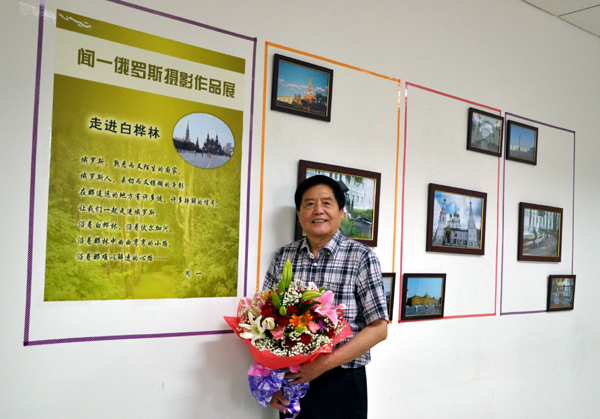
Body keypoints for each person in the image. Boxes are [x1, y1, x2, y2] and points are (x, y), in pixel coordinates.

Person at [263, 175, 389, 419]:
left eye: (327, 203)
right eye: (309, 204)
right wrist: (272, 381)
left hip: (342, 381)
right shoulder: (283, 256)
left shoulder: (361, 257)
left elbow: (379, 328)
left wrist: (321, 365)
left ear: (341, 212)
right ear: (299, 213)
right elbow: (265, 321)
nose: (318, 210)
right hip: (291, 380)